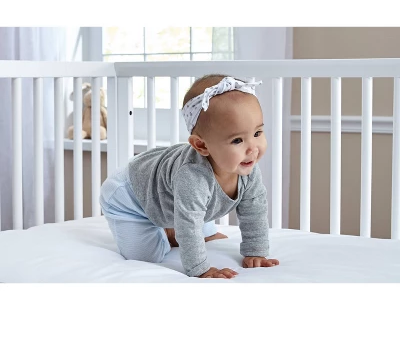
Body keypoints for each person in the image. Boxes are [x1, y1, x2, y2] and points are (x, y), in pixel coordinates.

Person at [99, 74, 279, 279]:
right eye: (237, 140)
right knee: (147, 256)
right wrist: (201, 269)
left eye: (257, 133)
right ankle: (167, 231)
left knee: (197, 218)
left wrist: (255, 251)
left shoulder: (247, 168)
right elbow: (189, 224)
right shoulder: (193, 176)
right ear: (201, 146)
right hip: (130, 196)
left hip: (174, 194)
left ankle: (174, 225)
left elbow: (254, 210)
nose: (253, 148)